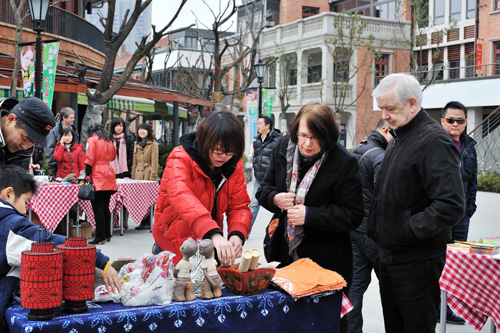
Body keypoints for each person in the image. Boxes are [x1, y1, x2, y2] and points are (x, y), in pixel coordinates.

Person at [368, 73, 465, 332]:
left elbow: (452, 204)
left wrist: (408, 229)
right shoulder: (401, 135)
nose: (384, 116)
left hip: (417, 261)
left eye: (389, 108)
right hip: (392, 257)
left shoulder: (433, 140)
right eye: (382, 109)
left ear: (412, 103)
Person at [256, 102, 364, 332]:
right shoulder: (284, 147)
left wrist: (311, 215)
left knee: (323, 325)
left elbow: (353, 215)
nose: (307, 144)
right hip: (284, 257)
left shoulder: (344, 162)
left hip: (325, 263)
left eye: (316, 138)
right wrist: (275, 198)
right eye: (303, 135)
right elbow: (263, 189)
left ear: (328, 137)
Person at [0, 165, 121, 329]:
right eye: (26, 202)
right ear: (8, 194)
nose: (25, 210)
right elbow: (46, 241)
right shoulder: (10, 225)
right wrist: (101, 261)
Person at [152, 111, 252, 267]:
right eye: (218, 150)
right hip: (173, 243)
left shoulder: (233, 165)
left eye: (230, 151)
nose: (223, 156)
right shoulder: (180, 158)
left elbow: (239, 205)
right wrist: (213, 233)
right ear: (205, 141)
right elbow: (182, 197)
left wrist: (237, 234)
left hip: (208, 244)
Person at [347, 119, 392, 333]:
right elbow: (385, 199)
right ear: (385, 130)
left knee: (354, 289)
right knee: (391, 290)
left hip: (355, 230)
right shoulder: (380, 157)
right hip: (375, 235)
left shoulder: (358, 149)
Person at [440, 100, 478, 325]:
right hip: (441, 217)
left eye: (460, 120)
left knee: (455, 266)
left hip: (462, 218)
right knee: (439, 263)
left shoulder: (470, 146)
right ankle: (436, 308)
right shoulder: (435, 144)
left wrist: (470, 209)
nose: (455, 124)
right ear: (442, 121)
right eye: (451, 120)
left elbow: (472, 181)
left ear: (465, 123)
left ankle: (447, 309)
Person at [85, 122, 117, 245]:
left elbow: (89, 159)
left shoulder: (91, 140)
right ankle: (107, 234)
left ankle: (100, 235)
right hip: (108, 172)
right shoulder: (109, 141)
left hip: (97, 173)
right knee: (105, 206)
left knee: (97, 206)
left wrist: (87, 175)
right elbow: (113, 157)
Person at [0, 97, 55, 169]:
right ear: (11, 119)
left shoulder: (23, 154)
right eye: (25, 139)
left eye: (34, 144)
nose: (25, 147)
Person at [248, 115, 281, 235]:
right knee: (254, 205)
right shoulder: (256, 140)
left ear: (268, 125)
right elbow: (255, 157)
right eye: (257, 124)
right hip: (258, 179)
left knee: (278, 206)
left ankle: (278, 233)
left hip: (273, 180)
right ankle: (246, 232)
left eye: (260, 123)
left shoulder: (278, 140)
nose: (257, 126)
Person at [131, 122, 159, 230]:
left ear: (148, 132)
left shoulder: (153, 144)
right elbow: (134, 162)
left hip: (148, 174)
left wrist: (153, 177)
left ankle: (147, 221)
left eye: (144, 129)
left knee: (148, 198)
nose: (141, 131)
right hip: (138, 174)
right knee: (139, 199)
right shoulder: (136, 144)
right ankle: (142, 220)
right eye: (139, 129)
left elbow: (154, 162)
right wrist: (133, 177)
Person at [45, 107, 79, 177]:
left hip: (72, 165)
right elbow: (49, 147)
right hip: (58, 166)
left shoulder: (74, 130)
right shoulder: (54, 130)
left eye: (73, 117)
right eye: (71, 118)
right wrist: (54, 164)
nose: (73, 120)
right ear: (64, 117)